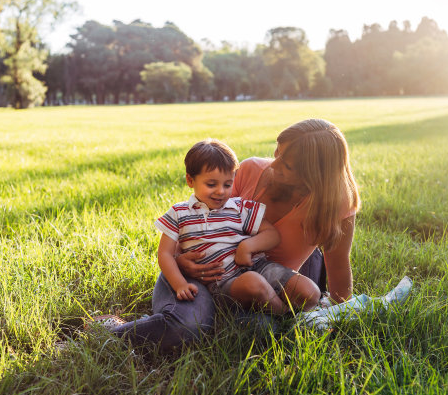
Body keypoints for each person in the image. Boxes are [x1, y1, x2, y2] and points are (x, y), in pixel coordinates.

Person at [93, 119, 360, 352]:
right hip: (204, 272)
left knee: (259, 332)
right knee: (187, 328)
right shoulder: (252, 170)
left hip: (262, 288)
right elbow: (199, 224)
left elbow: (338, 268)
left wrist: (337, 316)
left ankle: (212, 316)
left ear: (314, 175)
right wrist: (181, 261)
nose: (273, 164)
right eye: (277, 152)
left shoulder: (336, 204)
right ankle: (112, 329)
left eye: (286, 165)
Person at [154, 139, 320, 315]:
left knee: (310, 291)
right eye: (211, 184)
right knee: (253, 283)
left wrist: (247, 246)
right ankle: (289, 320)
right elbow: (165, 253)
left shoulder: (239, 207)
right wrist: (180, 284)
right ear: (190, 180)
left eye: (228, 184)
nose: (221, 191)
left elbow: (272, 235)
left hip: (259, 266)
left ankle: (306, 312)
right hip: (223, 281)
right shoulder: (179, 213)